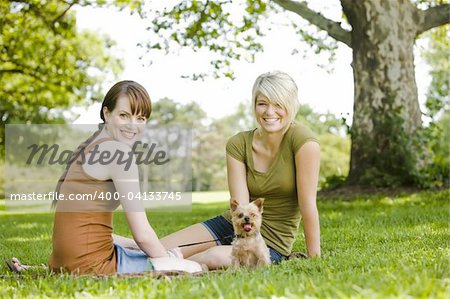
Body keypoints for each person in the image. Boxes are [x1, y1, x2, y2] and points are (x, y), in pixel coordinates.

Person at [92, 71, 321, 269]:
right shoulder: (238, 143)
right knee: (159, 248)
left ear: (290, 106)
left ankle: (174, 265)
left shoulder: (303, 141)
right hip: (234, 224)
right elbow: (240, 207)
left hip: (270, 243)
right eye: (262, 103)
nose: (269, 111)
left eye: (278, 104)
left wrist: (314, 257)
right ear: (254, 104)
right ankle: (107, 241)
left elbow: (307, 204)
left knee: (211, 258)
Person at [7, 80, 203, 275]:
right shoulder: (119, 153)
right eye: (124, 115)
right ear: (106, 114)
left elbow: (92, 230)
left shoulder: (91, 146)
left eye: (141, 118)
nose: (133, 126)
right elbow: (143, 234)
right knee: (192, 267)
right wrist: (168, 261)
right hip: (92, 265)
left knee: (160, 255)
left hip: (63, 262)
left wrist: (142, 249)